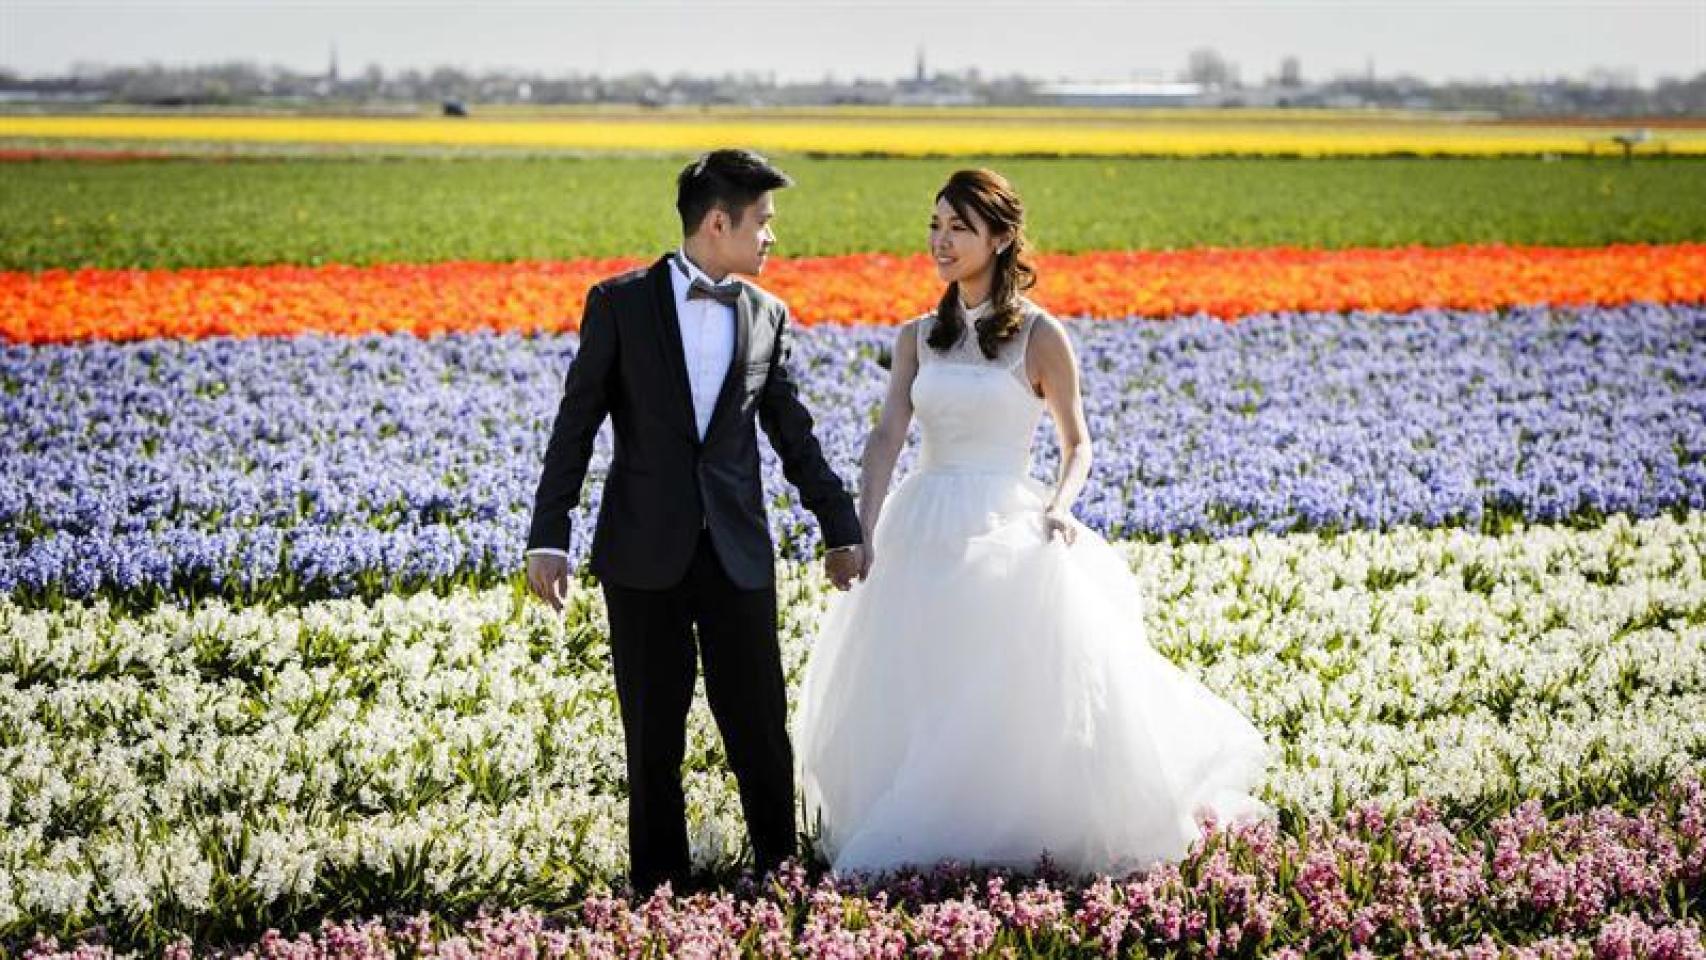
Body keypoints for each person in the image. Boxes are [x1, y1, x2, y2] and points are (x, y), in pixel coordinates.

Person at [795, 169, 1273, 878]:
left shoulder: (1040, 336)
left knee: (997, 687)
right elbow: (887, 437)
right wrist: (862, 529)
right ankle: (917, 827)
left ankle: (1004, 832)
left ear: (999, 237)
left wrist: (1058, 505)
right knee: (917, 682)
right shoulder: (916, 337)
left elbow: (1077, 442)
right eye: (935, 225)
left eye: (958, 228)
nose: (941, 241)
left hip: (1002, 523)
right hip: (921, 522)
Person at [524, 148, 868, 895]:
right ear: (719, 222)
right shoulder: (618, 303)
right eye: (764, 223)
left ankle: (782, 870)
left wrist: (840, 526)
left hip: (738, 552)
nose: (773, 237)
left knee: (758, 728)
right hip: (641, 553)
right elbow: (575, 424)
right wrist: (550, 534)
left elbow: (792, 434)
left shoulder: (768, 315)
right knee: (652, 733)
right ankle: (658, 888)